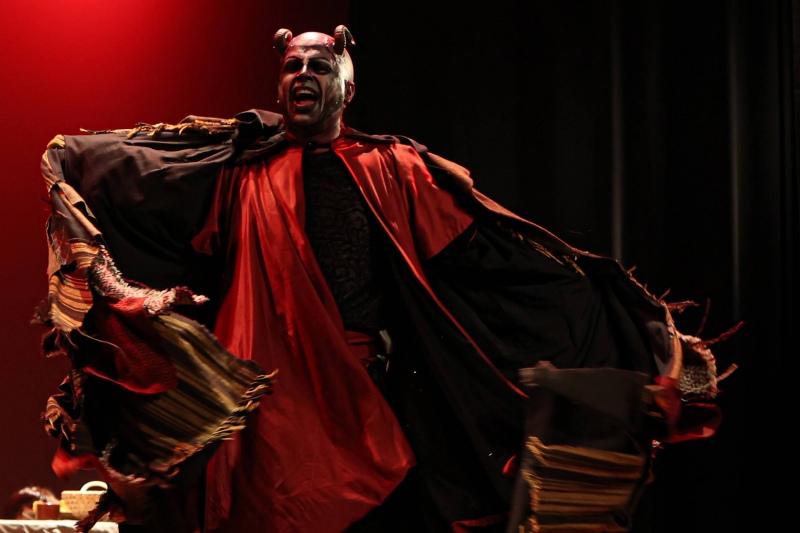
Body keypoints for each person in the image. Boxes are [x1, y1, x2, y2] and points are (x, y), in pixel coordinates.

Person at [35, 25, 737, 533]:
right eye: (291, 64)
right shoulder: (235, 173)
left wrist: (611, 306)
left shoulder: (394, 169)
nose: (302, 74)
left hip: (367, 389)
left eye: (318, 63)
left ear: (347, 82)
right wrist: (118, 281)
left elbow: (491, 254)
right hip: (272, 399)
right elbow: (100, 174)